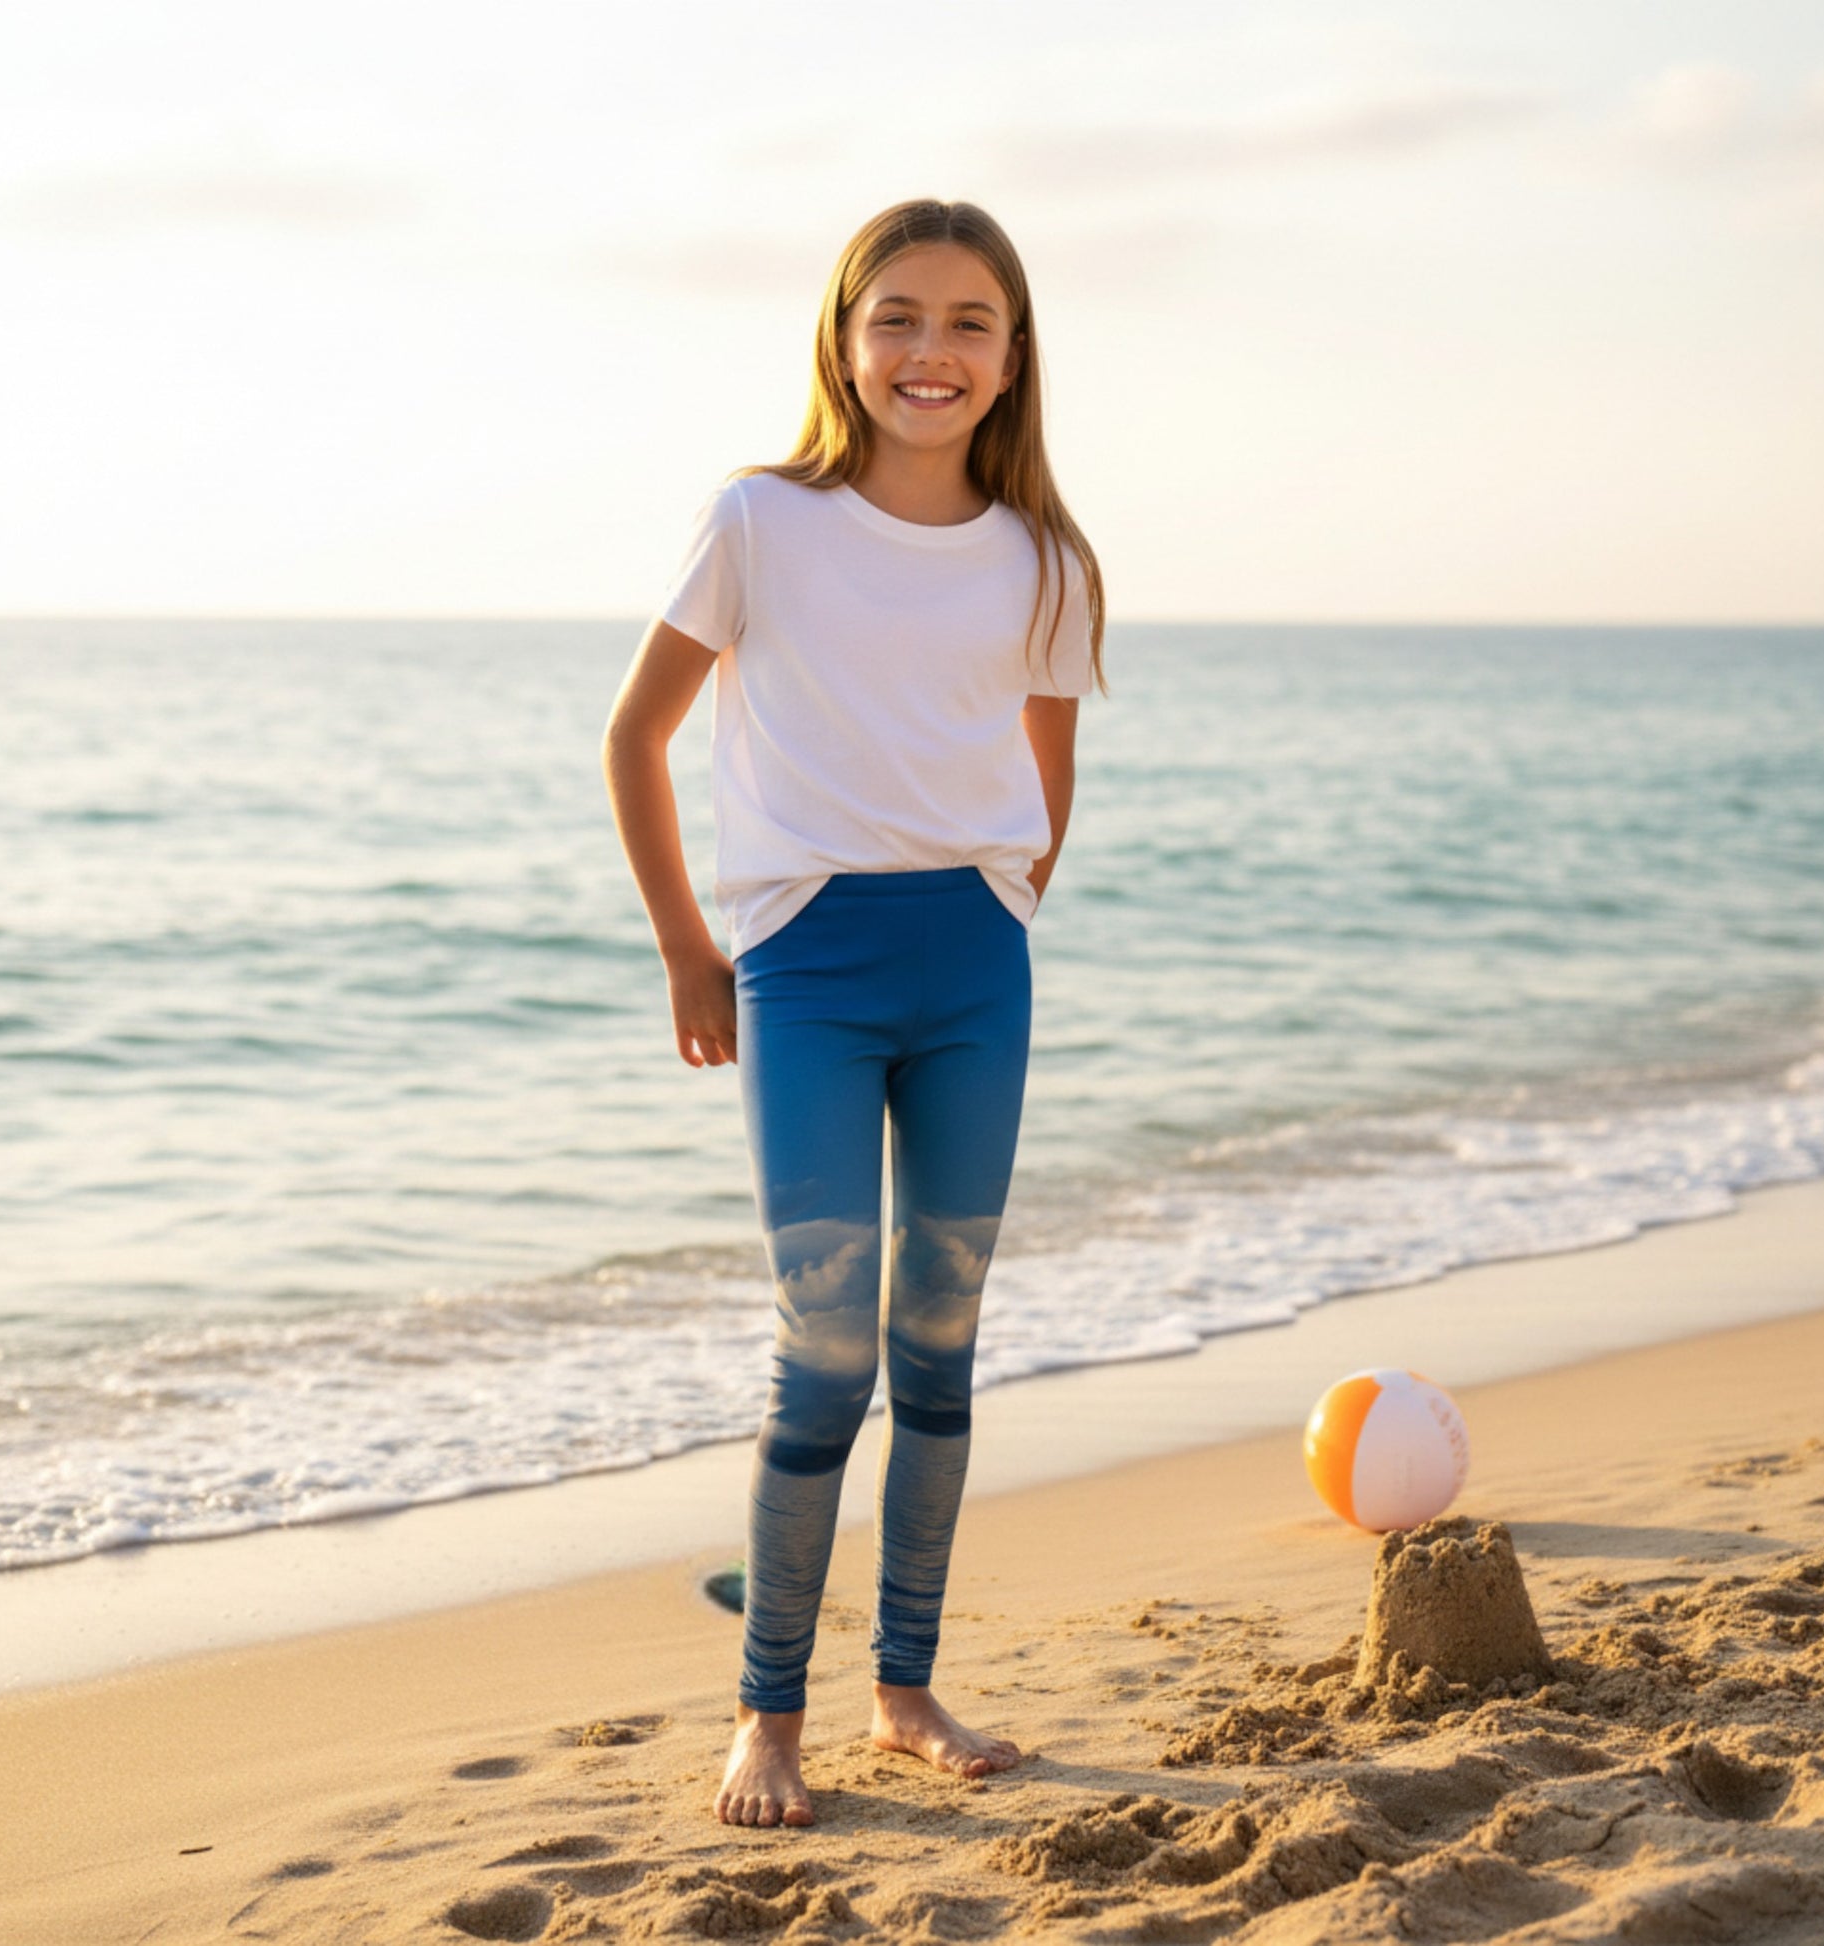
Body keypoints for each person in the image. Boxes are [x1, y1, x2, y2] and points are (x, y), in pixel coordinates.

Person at [600, 197, 1106, 1830]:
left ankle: (902, 1689)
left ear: (1012, 354)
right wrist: (694, 949)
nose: (929, 351)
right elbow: (636, 736)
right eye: (896, 316)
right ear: (842, 336)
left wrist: (1009, 900)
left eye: (968, 321)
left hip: (972, 962)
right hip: (804, 964)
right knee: (821, 1349)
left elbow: (1048, 772)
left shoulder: (1047, 556)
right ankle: (768, 1714)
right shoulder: (759, 520)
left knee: (939, 1343)